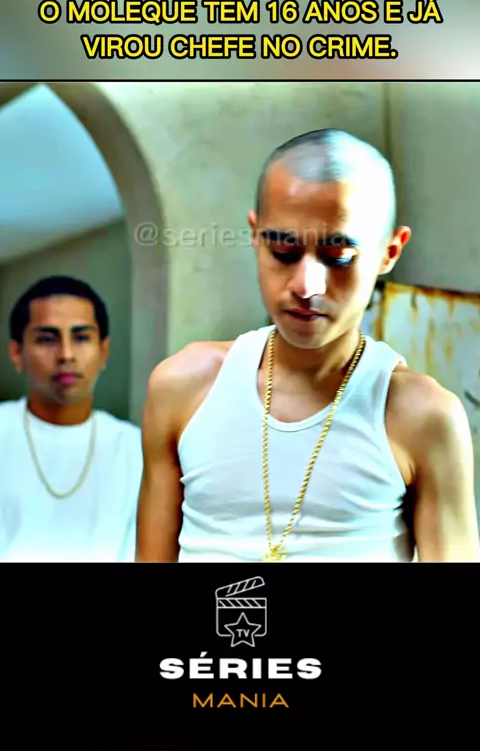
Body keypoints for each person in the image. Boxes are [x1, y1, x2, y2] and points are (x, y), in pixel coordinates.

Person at [136, 128, 479, 563]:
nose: (307, 286)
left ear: (389, 252)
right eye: (284, 250)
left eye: (338, 257)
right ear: (256, 235)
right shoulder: (182, 387)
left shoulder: (423, 416)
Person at [0, 275, 143, 562]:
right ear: (17, 353)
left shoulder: (135, 449)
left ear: (104, 350)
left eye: (81, 338)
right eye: (47, 339)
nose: (66, 355)